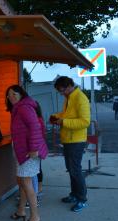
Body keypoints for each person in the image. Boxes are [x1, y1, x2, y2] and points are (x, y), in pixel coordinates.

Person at [6, 85, 48, 221]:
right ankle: (21, 210)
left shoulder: (24, 107)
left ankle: (35, 217)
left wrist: (34, 148)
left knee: (26, 182)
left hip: (28, 153)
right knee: (22, 181)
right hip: (23, 152)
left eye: (14, 94)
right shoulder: (19, 108)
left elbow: (35, 127)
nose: (11, 97)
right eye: (9, 95)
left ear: (21, 94)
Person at [49, 76, 90, 212]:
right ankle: (74, 195)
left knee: (75, 170)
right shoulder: (69, 98)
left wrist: (63, 122)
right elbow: (67, 115)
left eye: (62, 91)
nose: (62, 94)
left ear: (70, 86)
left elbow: (85, 122)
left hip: (76, 141)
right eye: (60, 92)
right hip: (68, 139)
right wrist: (57, 116)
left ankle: (82, 199)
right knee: (71, 169)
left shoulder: (81, 98)